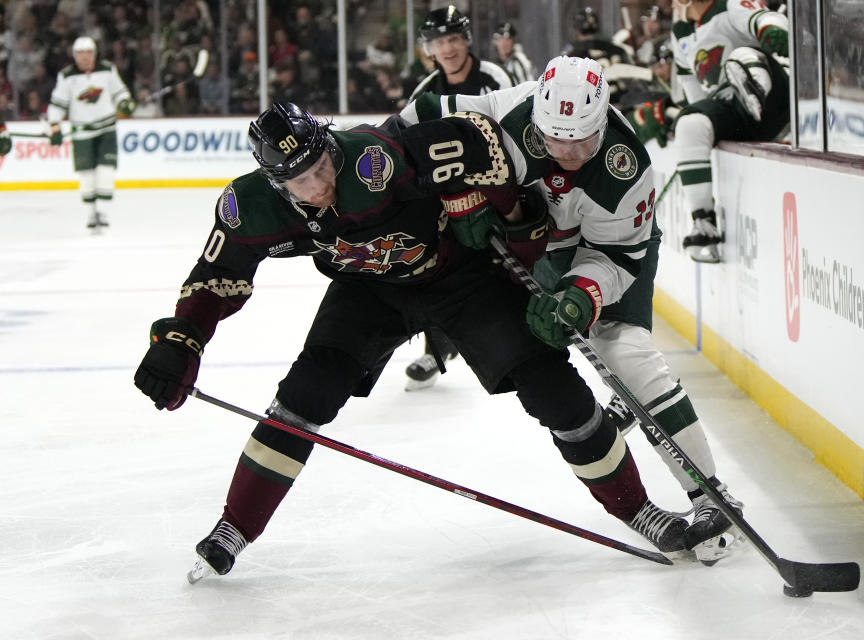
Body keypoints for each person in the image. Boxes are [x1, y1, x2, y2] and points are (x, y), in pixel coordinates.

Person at [133, 101, 692, 582]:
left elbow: (477, 136)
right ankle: (236, 525)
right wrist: (180, 342)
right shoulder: (248, 206)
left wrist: (494, 208)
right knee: (306, 393)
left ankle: (639, 509)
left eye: (323, 163)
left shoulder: (375, 159)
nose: (322, 182)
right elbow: (212, 280)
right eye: (303, 180)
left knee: (555, 392)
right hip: (368, 289)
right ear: (277, 183)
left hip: (461, 280)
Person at [400, 56, 744, 564]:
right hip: (533, 242)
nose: (565, 153)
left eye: (580, 141)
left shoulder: (625, 167)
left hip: (604, 249)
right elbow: (418, 117)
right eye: (554, 139)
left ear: (603, 119)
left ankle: (712, 494)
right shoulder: (507, 110)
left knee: (628, 353)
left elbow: (617, 256)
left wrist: (583, 295)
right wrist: (456, 193)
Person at [404, 5, 514, 390]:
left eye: (452, 39)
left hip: (499, 186)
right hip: (449, 198)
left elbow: (518, 126)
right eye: (438, 42)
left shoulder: (495, 77)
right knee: (439, 264)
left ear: (465, 40)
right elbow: (402, 140)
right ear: (429, 48)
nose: (447, 48)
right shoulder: (425, 91)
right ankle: (437, 348)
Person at [641, 0, 790, 263]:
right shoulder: (681, 33)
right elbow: (695, 94)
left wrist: (772, 31)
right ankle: (703, 223)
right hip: (735, 112)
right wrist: (694, 116)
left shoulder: (730, 4)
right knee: (690, 123)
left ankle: (755, 98)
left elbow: (768, 20)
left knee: (742, 58)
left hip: (778, 98)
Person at [46, 36, 135, 230]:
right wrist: (54, 126)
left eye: (88, 53)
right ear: (75, 55)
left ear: (94, 54)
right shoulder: (67, 76)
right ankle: (90, 213)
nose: (85, 57)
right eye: (80, 54)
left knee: (106, 170)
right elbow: (58, 103)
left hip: (106, 129)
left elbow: (120, 92)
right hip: (82, 132)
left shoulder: (107, 70)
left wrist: (125, 102)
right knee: (86, 175)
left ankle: (102, 212)